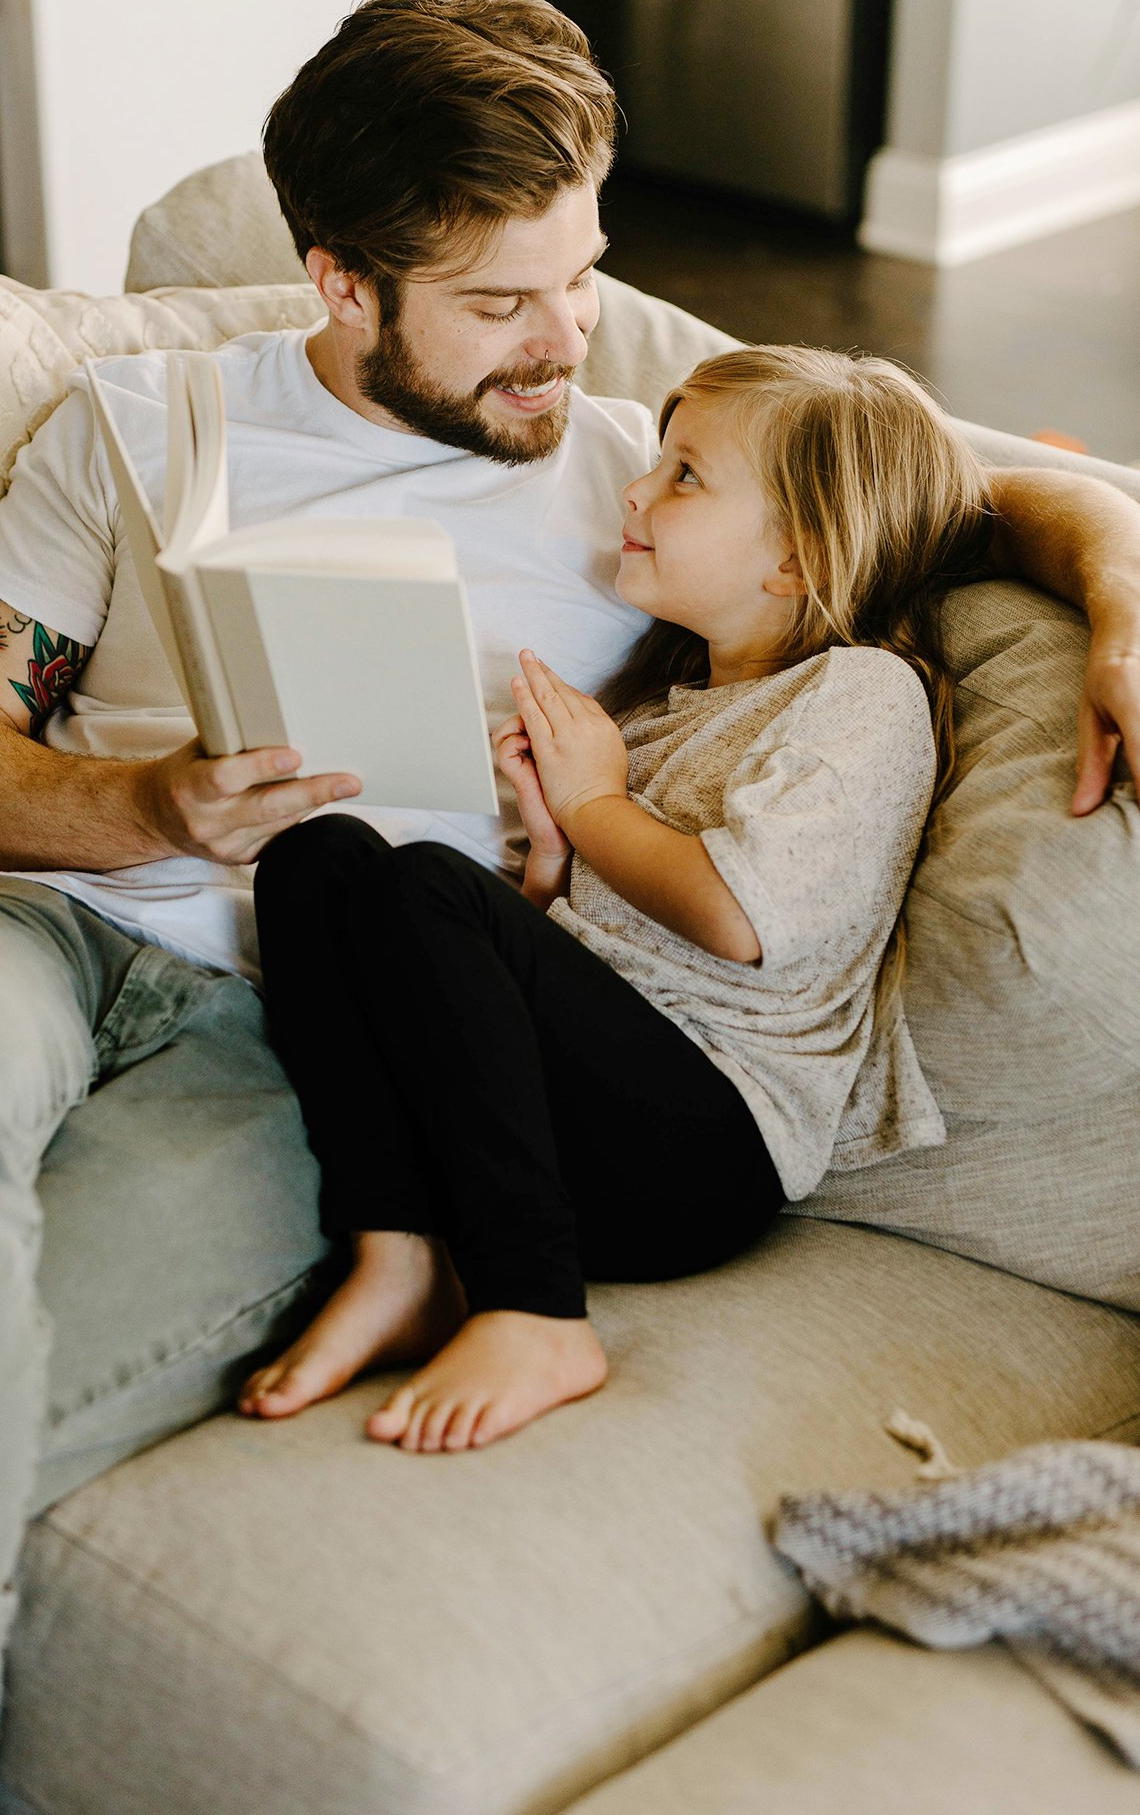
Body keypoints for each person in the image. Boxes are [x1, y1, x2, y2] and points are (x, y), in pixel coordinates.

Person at [0, 0, 1140, 1815]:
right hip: (41, 920)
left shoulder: (651, 478)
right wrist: (146, 800)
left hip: (312, 1032)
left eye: (584, 278)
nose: (566, 341)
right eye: (499, 305)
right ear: (340, 282)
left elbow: (980, 487)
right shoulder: (136, 423)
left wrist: (1124, 588)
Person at [240, 347, 987, 1451]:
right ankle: (398, 1253)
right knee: (317, 855)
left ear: (800, 559)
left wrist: (593, 803)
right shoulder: (660, 706)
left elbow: (741, 920)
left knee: (428, 885)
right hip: (584, 1110)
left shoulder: (862, 693)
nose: (635, 491)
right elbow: (577, 958)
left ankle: (536, 1311)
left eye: (686, 476)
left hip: (705, 1148)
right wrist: (552, 852)